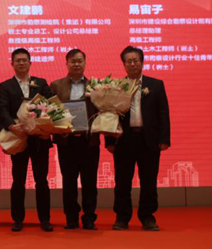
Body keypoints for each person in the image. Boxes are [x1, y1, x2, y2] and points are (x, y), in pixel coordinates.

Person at [105, 46, 171, 231]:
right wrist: (109, 141)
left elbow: (163, 113)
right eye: (129, 61)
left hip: (149, 140)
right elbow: (109, 114)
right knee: (122, 181)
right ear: (124, 65)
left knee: (149, 181)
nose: (132, 64)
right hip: (123, 140)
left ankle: (147, 217)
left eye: (136, 60)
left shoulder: (156, 85)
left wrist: (164, 138)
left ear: (142, 62)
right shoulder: (116, 86)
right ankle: (122, 217)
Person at [0, 48, 55, 232]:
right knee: (18, 180)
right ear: (12, 64)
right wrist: (11, 126)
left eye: (24, 60)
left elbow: (52, 106)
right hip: (18, 137)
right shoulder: (5, 86)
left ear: (30, 63)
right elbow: (2, 109)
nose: (21, 63)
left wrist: (45, 128)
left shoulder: (41, 83)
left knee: (42, 180)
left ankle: (44, 219)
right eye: (18, 60)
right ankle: (17, 219)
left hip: (39, 138)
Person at [50, 49, 100, 230]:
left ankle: (89, 217)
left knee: (89, 181)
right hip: (67, 141)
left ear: (85, 63)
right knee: (69, 181)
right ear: (67, 64)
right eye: (73, 61)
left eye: (80, 61)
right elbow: (50, 112)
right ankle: (71, 217)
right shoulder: (56, 85)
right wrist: (58, 129)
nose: (76, 64)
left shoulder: (96, 86)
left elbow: (102, 111)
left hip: (89, 141)